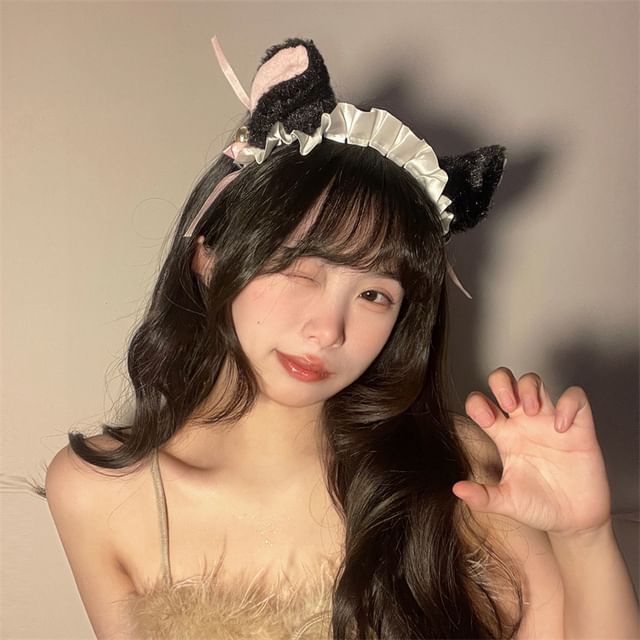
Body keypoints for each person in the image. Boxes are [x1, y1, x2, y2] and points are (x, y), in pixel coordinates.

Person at [41, 36, 638, 640]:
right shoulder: (98, 493)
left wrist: (583, 538)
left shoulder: (456, 463)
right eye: (300, 269)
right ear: (209, 259)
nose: (329, 329)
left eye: (375, 295)